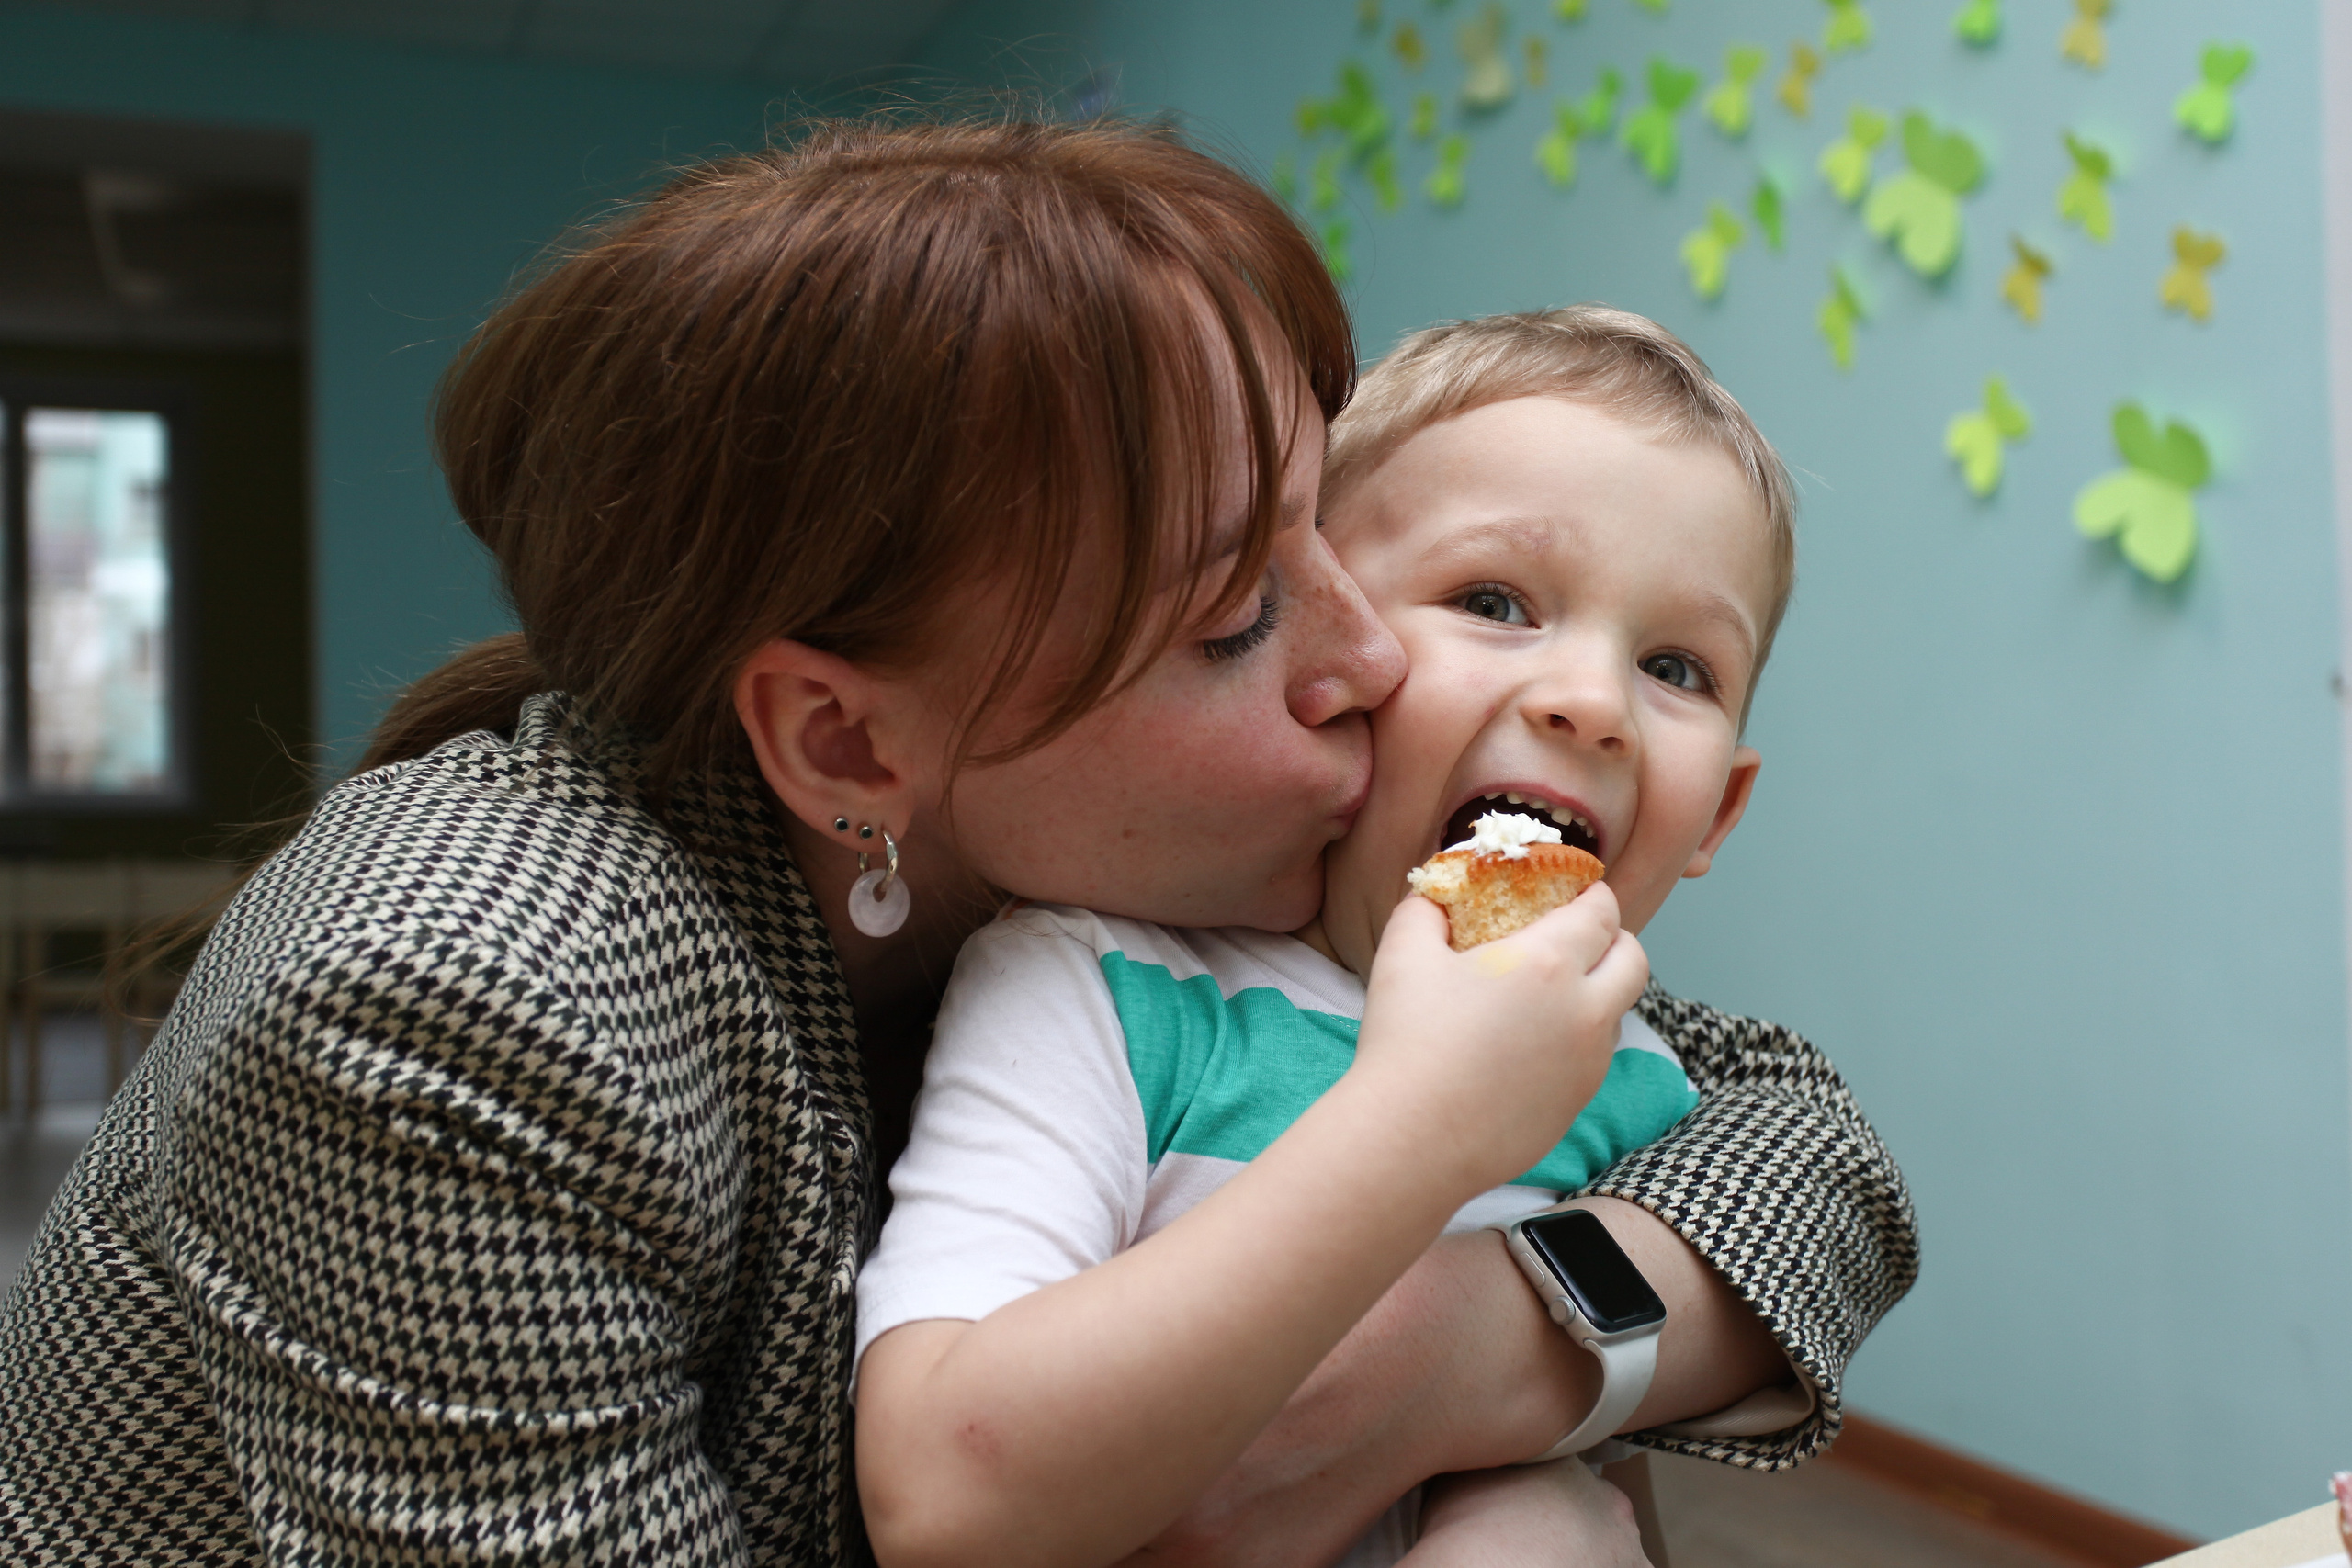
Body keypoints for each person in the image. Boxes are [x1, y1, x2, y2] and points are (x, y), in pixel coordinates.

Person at [0, 119, 1914, 1567]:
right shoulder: (451, 1003)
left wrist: (1454, 1352)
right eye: (1235, 616)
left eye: (1326, 536)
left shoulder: (1105, 864)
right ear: (844, 736)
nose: (1366, 662)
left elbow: (1795, 1133)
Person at [854, 306, 1836, 1567]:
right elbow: (946, 1507)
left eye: (1680, 669)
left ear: (1722, 812)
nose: (1591, 704)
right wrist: (1428, 1114)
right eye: (1494, 600)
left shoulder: (1637, 1078)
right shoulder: (1099, 986)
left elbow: (1599, 1455)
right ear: (1337, 649)